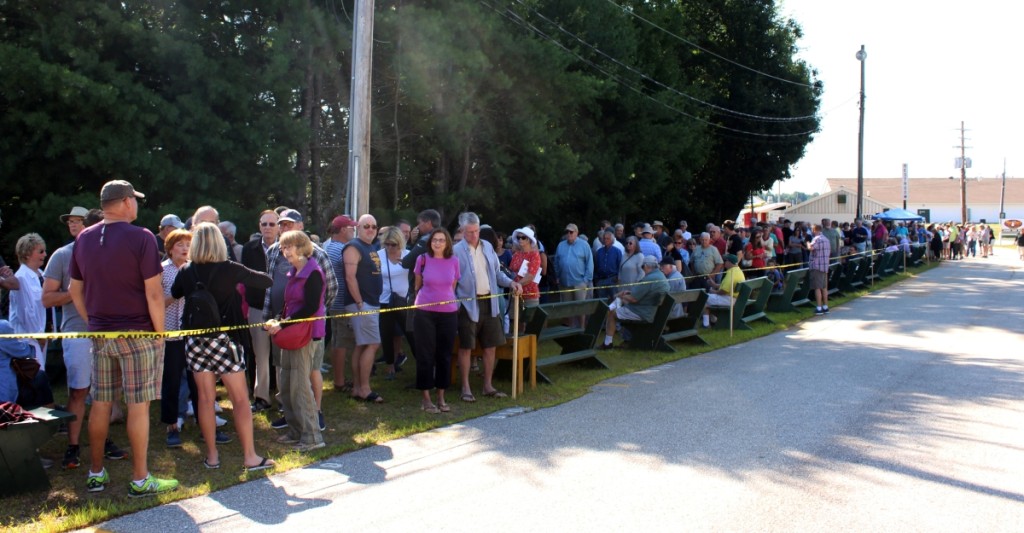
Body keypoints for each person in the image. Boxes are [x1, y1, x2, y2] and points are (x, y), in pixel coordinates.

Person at [69, 179, 177, 496]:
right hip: (138, 332)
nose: (137, 205)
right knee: (138, 406)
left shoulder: (84, 238)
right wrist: (159, 333)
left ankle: (96, 472)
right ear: (127, 201)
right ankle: (140, 479)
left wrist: (93, 321)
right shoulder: (141, 236)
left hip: (101, 334)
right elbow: (154, 294)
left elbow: (76, 291)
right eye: (136, 200)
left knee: (101, 404)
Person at [171, 223, 275, 469]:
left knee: (205, 400)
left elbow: (176, 293)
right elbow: (266, 282)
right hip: (226, 340)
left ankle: (212, 456)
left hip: (196, 341)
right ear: (220, 243)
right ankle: (250, 456)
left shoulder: (187, 270)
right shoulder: (231, 269)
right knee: (239, 399)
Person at [44, 208, 123, 468]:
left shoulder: (111, 255)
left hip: (107, 332)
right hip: (77, 334)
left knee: (105, 393)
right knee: (79, 391)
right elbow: (47, 299)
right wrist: (75, 290)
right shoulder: (63, 255)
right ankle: (73, 446)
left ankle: (104, 442)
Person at [262, 209, 337, 429]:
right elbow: (269, 285)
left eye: (289, 224)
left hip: (307, 328)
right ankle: (290, 413)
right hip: (282, 324)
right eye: (282, 224)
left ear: (300, 226)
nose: (285, 228)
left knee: (309, 371)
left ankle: (315, 413)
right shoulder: (274, 251)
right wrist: (274, 318)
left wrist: (317, 316)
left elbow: (330, 289)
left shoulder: (317, 255)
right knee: (283, 369)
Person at [264, 230, 326, 452]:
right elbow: (289, 303)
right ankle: (295, 430)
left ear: (301, 248)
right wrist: (278, 320)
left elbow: (309, 308)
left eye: (288, 246)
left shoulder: (314, 273)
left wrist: (283, 324)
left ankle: (312, 436)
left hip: (305, 335)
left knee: (301, 386)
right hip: (290, 334)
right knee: (287, 384)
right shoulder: (293, 272)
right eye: (282, 247)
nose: (284, 251)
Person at [453, 212, 521, 402]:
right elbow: (452, 280)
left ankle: (487, 385)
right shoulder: (456, 251)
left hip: (490, 302)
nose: (474, 235)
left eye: (476, 231)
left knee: (490, 346)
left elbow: (497, 274)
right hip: (467, 304)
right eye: (469, 232)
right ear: (462, 230)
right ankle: (466, 388)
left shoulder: (488, 246)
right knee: (466, 347)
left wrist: (511, 283)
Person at [411, 228, 460, 413]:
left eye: (441, 240)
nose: (437, 243)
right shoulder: (422, 259)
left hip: (448, 313)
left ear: (447, 242)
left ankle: (441, 396)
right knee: (425, 354)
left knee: (444, 355)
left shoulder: (454, 261)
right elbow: (418, 283)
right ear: (430, 242)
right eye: (434, 240)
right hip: (424, 312)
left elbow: (453, 285)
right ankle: (426, 398)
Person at [158, 229, 199, 449]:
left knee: (198, 381)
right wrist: (175, 295)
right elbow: (157, 302)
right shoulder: (162, 271)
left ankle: (204, 423)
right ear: (170, 248)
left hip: (193, 333)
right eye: (179, 244)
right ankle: (172, 426)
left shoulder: (195, 269)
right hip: (171, 333)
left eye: (187, 244)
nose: (184, 249)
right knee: (171, 381)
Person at [343, 214, 384, 403]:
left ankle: (358, 388)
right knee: (373, 343)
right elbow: (350, 277)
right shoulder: (353, 247)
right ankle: (365, 388)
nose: (370, 229)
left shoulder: (370, 247)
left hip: (371, 302)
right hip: (362, 303)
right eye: (366, 226)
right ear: (358, 227)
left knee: (362, 344)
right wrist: (360, 302)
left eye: (374, 227)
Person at [241, 210, 278, 412]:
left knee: (281, 356)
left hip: (281, 309)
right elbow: (246, 277)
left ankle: (284, 398)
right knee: (260, 355)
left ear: (279, 227)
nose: (268, 228)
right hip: (257, 306)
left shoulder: (286, 247)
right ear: (259, 226)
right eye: (264, 224)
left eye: (272, 224)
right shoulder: (250, 248)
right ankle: (262, 397)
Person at [601, 255, 669, 349]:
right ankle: (624, 338)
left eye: (642, 267)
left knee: (611, 313)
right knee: (621, 301)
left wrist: (621, 295)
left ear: (646, 266)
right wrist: (627, 294)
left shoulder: (649, 278)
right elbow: (643, 294)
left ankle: (607, 343)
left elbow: (634, 299)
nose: (642, 269)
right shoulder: (661, 276)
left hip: (643, 312)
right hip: (651, 310)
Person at [323, 214, 357, 393]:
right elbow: (350, 275)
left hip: (335, 302)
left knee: (338, 342)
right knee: (342, 343)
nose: (354, 231)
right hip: (342, 302)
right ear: (343, 229)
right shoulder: (341, 250)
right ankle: (340, 381)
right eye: (352, 227)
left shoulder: (333, 247)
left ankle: (339, 380)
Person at [376, 226, 413, 379]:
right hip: (384, 300)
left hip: (403, 300)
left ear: (401, 243)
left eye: (394, 244)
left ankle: (423, 364)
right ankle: (390, 365)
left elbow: (419, 272)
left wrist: (406, 263)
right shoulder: (378, 256)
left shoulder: (408, 255)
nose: (390, 248)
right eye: (387, 244)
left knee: (411, 333)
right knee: (386, 333)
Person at [10, 233, 47, 365]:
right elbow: (25, 312)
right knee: (34, 376)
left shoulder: (43, 275)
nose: (45, 255)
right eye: (41, 251)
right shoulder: (21, 277)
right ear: (27, 254)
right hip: (28, 339)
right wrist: (38, 336)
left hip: (42, 336)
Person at [554, 223, 594, 327]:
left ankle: (581, 329)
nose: (569, 234)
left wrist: (586, 280)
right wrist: (558, 276)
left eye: (571, 232)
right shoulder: (561, 245)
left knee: (580, 308)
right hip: (565, 282)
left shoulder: (584, 245)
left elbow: (590, 263)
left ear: (576, 233)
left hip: (579, 282)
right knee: (568, 309)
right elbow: (556, 262)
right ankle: (570, 330)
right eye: (567, 232)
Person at [703, 254, 746, 328]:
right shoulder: (738, 270)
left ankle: (706, 324)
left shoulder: (732, 273)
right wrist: (714, 285)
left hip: (730, 299)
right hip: (735, 298)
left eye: (725, 261)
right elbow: (727, 286)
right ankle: (714, 321)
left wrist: (713, 291)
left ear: (729, 262)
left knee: (704, 297)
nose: (724, 262)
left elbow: (724, 291)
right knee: (709, 300)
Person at [510, 226, 543, 322]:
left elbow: (531, 275)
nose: (520, 239)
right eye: (518, 237)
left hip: (530, 294)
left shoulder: (535, 255)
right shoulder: (516, 254)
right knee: (516, 324)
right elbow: (511, 271)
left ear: (529, 240)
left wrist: (517, 284)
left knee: (531, 325)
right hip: (516, 294)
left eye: (523, 237)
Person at [808, 223, 831, 315]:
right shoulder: (826, 239)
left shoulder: (816, 239)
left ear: (814, 230)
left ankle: (819, 307)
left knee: (817, 288)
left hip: (817, 266)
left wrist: (807, 242)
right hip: (825, 266)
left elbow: (811, 248)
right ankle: (826, 306)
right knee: (824, 288)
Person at [593, 230, 622, 302]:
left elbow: (620, 266)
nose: (605, 240)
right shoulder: (599, 252)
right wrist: (596, 279)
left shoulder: (617, 251)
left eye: (607, 238)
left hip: (612, 279)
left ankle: (613, 313)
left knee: (614, 300)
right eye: (604, 238)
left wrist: (618, 277)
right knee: (602, 301)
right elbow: (595, 265)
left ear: (612, 240)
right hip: (600, 280)